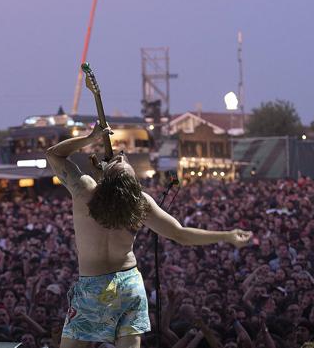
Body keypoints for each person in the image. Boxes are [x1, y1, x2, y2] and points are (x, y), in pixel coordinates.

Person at [45, 123, 252, 348]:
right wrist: (226, 236)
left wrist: (90, 138)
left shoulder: (84, 190)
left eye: (119, 160)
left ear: (107, 175)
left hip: (94, 286)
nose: (119, 156)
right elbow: (180, 234)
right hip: (128, 283)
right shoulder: (139, 202)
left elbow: (54, 154)